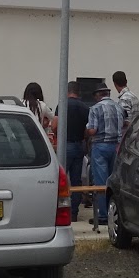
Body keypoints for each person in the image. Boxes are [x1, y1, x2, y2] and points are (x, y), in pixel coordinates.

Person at [85, 83, 124, 229]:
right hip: (116, 147)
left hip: (100, 146)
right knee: (113, 181)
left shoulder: (95, 109)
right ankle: (113, 213)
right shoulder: (118, 107)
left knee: (101, 182)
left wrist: (86, 130)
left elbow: (93, 130)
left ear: (97, 95)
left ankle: (102, 215)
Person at [59, 83, 90, 223]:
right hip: (79, 146)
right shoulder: (85, 108)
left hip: (65, 145)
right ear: (78, 92)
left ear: (67, 91)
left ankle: (60, 209)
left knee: (61, 179)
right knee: (76, 181)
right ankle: (74, 213)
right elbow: (87, 130)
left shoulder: (63, 105)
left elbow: (55, 125)